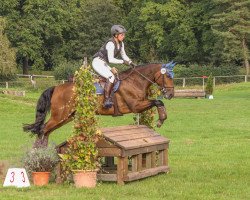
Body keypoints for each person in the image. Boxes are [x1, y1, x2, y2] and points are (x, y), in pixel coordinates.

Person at [92, 24, 135, 108]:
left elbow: (124, 55)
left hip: (103, 63)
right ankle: (106, 100)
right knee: (111, 77)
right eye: (122, 34)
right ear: (116, 35)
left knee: (115, 76)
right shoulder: (110, 44)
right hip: (97, 62)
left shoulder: (121, 44)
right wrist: (123, 62)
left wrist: (130, 62)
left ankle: (112, 97)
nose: (124, 36)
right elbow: (111, 59)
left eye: (124, 34)